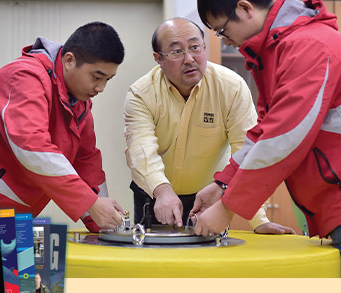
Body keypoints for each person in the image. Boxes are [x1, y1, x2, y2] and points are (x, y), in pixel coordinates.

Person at [193, 0, 341, 277]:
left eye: (222, 30)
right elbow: (267, 129)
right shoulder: (278, 49)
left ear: (245, 8)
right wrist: (223, 183)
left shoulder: (309, 47)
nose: (226, 41)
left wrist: (228, 208)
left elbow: (284, 137)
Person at [0, 22, 125, 231]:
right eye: (96, 77)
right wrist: (90, 203)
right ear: (69, 60)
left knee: (9, 261)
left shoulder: (80, 103)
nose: (101, 88)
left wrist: (104, 222)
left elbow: (86, 159)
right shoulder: (26, 77)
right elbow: (31, 146)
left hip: (0, 196)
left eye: (108, 79)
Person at [124, 17, 294, 234]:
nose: (189, 59)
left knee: (208, 262)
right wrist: (162, 190)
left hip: (208, 197)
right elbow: (141, 150)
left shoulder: (231, 88)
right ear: (158, 58)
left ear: (205, 47)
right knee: (154, 263)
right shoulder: (141, 93)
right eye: (177, 52)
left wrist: (259, 219)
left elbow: (246, 150)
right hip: (155, 195)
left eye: (195, 48)